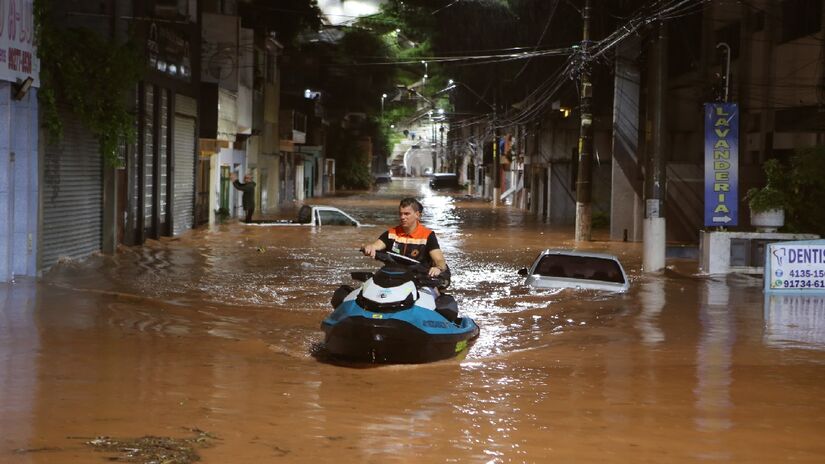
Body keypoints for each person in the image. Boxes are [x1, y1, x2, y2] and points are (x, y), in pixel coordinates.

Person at [361, 197, 447, 278]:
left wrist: (438, 268)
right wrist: (369, 247)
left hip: (419, 278)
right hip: (393, 276)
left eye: (406, 214)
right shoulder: (391, 233)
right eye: (400, 214)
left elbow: (439, 260)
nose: (402, 217)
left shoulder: (428, 235)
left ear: (417, 215)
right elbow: (375, 246)